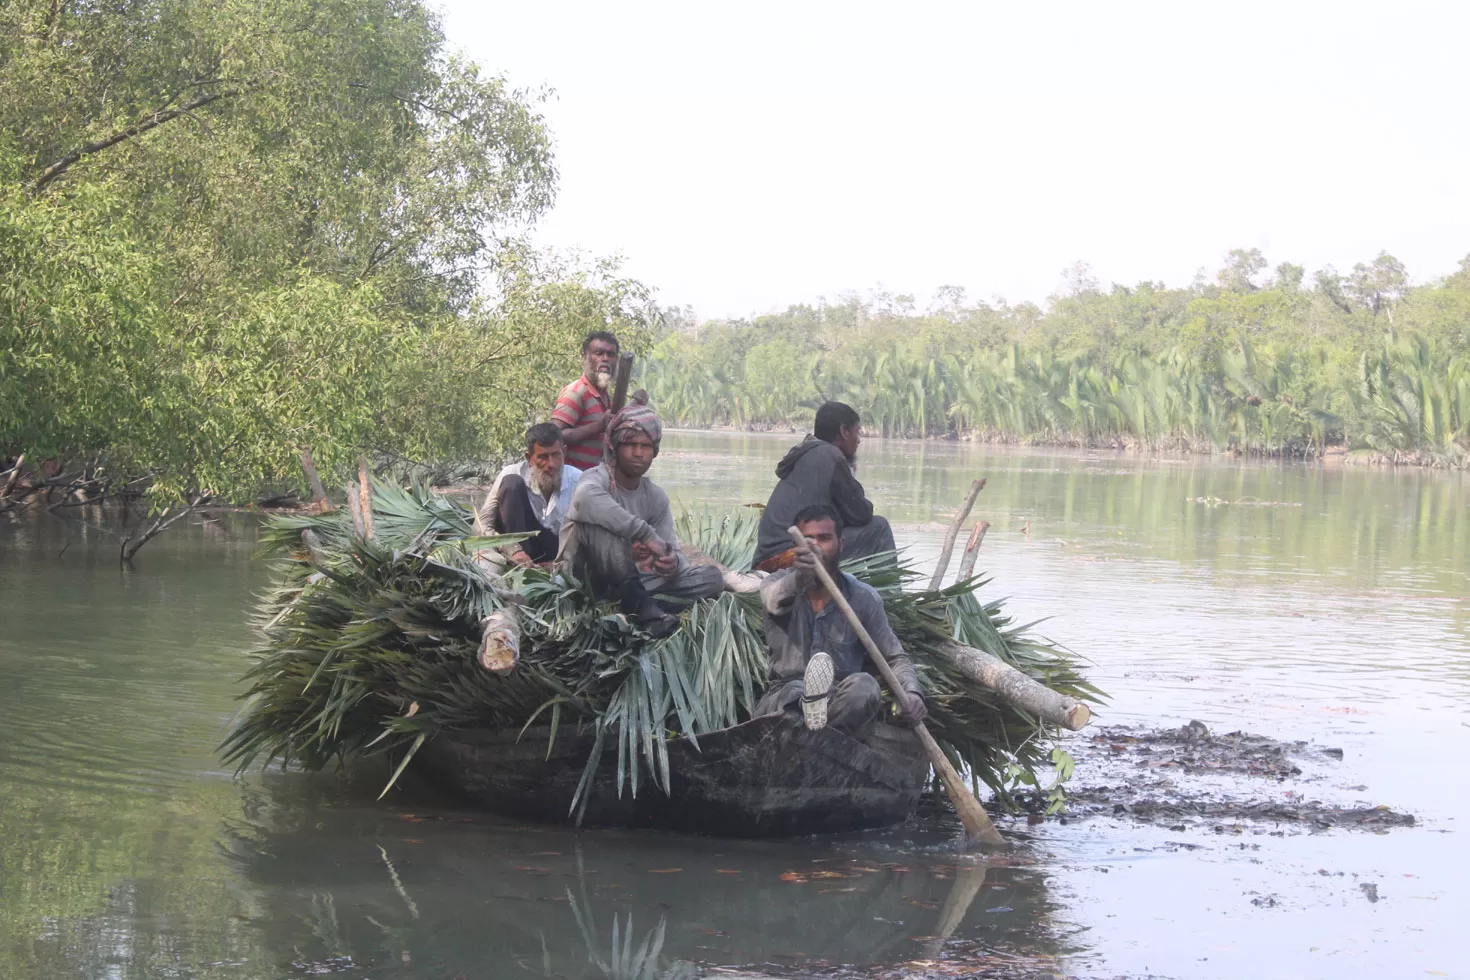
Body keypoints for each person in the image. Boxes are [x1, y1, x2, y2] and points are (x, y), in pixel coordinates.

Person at [755, 504, 926, 740]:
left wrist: (912, 693)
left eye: (824, 539)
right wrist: (802, 579)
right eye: (807, 540)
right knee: (794, 694)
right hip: (785, 696)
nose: (815, 547)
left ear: (841, 545)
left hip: (839, 702)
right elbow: (774, 599)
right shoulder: (776, 584)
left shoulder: (863, 598)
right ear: (796, 550)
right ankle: (810, 712)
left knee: (864, 687)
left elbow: (894, 658)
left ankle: (821, 734)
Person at [557, 404, 725, 637]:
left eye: (645, 446)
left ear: (654, 451)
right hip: (586, 583)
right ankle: (644, 610)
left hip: (639, 584)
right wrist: (644, 534)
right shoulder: (597, 478)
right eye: (630, 445)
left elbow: (669, 548)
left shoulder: (655, 497)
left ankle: (635, 606)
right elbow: (585, 499)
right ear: (615, 447)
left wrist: (670, 563)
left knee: (712, 579)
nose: (638, 453)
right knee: (601, 526)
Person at [752, 401, 895, 571]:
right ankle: (887, 595)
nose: (858, 441)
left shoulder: (807, 453)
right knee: (879, 528)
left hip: (766, 559)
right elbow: (861, 514)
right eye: (857, 432)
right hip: (790, 557)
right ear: (844, 432)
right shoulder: (830, 455)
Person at [476, 423, 581, 566]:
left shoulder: (578, 480)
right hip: (519, 544)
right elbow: (481, 526)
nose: (551, 464)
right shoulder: (512, 472)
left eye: (556, 455)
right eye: (543, 457)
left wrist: (561, 563)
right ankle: (519, 561)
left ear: (564, 452)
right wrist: (512, 549)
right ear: (529, 458)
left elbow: (589, 535)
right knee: (511, 483)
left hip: (557, 550)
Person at [552, 331, 646, 471]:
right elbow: (553, 435)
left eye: (611, 354)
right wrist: (598, 426)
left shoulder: (606, 398)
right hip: (576, 484)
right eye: (598, 353)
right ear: (585, 357)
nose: (605, 358)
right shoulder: (576, 392)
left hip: (598, 481)